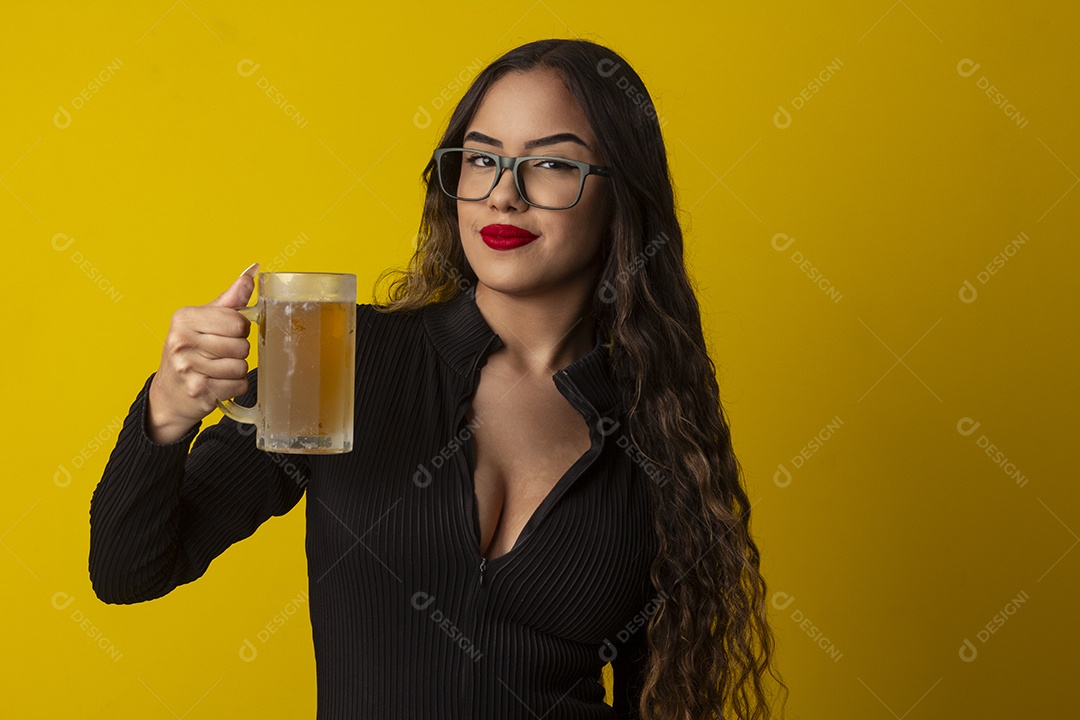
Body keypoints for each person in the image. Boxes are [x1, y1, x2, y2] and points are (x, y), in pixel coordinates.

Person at [89, 38, 788, 720]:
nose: (503, 195)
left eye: (549, 165)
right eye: (481, 158)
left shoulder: (657, 433)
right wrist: (168, 412)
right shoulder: (341, 356)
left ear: (622, 198)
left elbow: (652, 696)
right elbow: (128, 571)